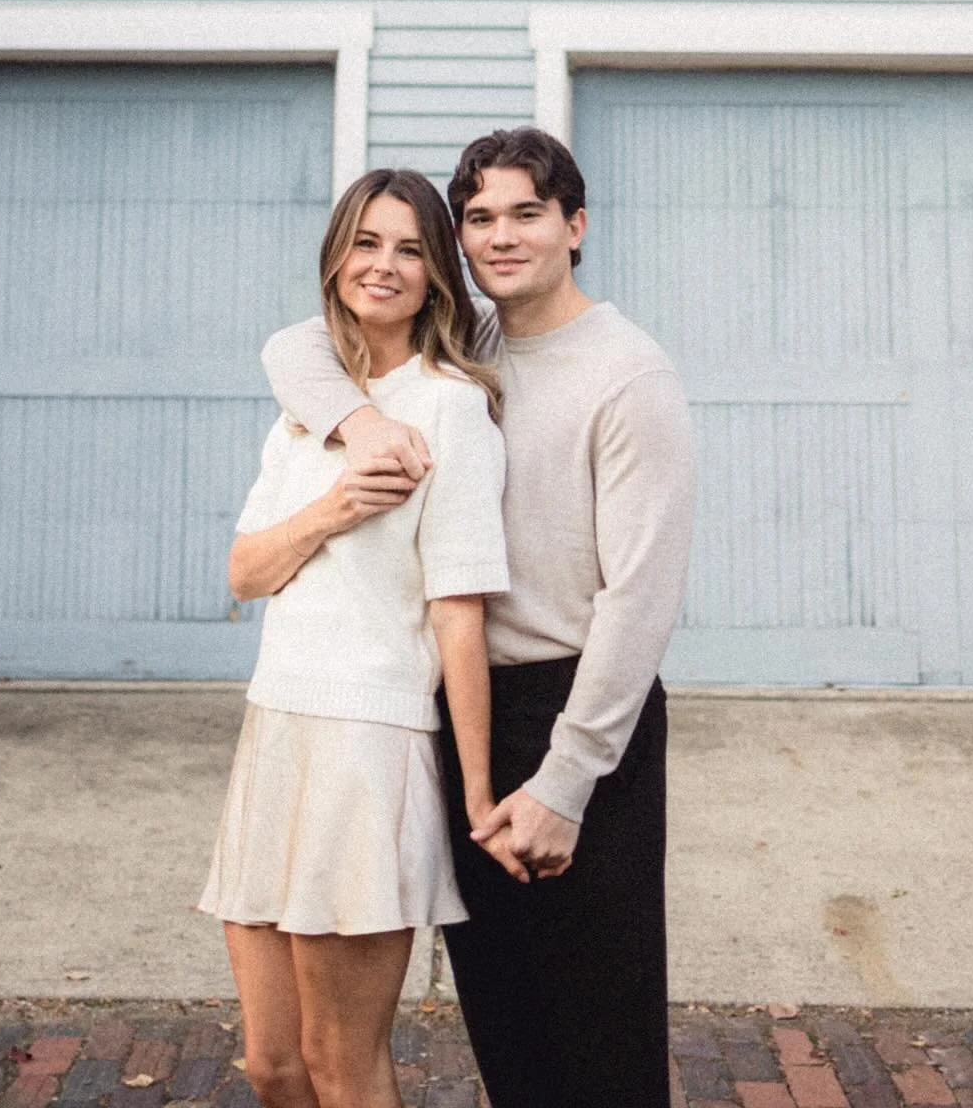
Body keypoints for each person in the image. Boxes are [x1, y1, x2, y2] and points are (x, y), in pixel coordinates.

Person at [261, 127, 696, 1108]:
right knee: (505, 1019)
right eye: (481, 218)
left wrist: (569, 778)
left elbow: (641, 599)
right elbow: (294, 345)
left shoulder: (628, 375)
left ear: (574, 227)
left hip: (578, 715)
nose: (502, 237)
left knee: (601, 1030)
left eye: (527, 215)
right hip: (462, 710)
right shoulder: (468, 345)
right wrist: (362, 423)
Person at [198, 168, 513, 1108]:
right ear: (337, 256)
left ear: (437, 277)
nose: (385, 265)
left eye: (411, 249)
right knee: (273, 1065)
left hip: (367, 743)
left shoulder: (453, 408)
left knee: (343, 1064)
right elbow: (245, 573)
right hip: (275, 730)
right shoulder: (307, 404)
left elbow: (458, 609)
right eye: (367, 242)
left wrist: (479, 785)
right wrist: (335, 506)